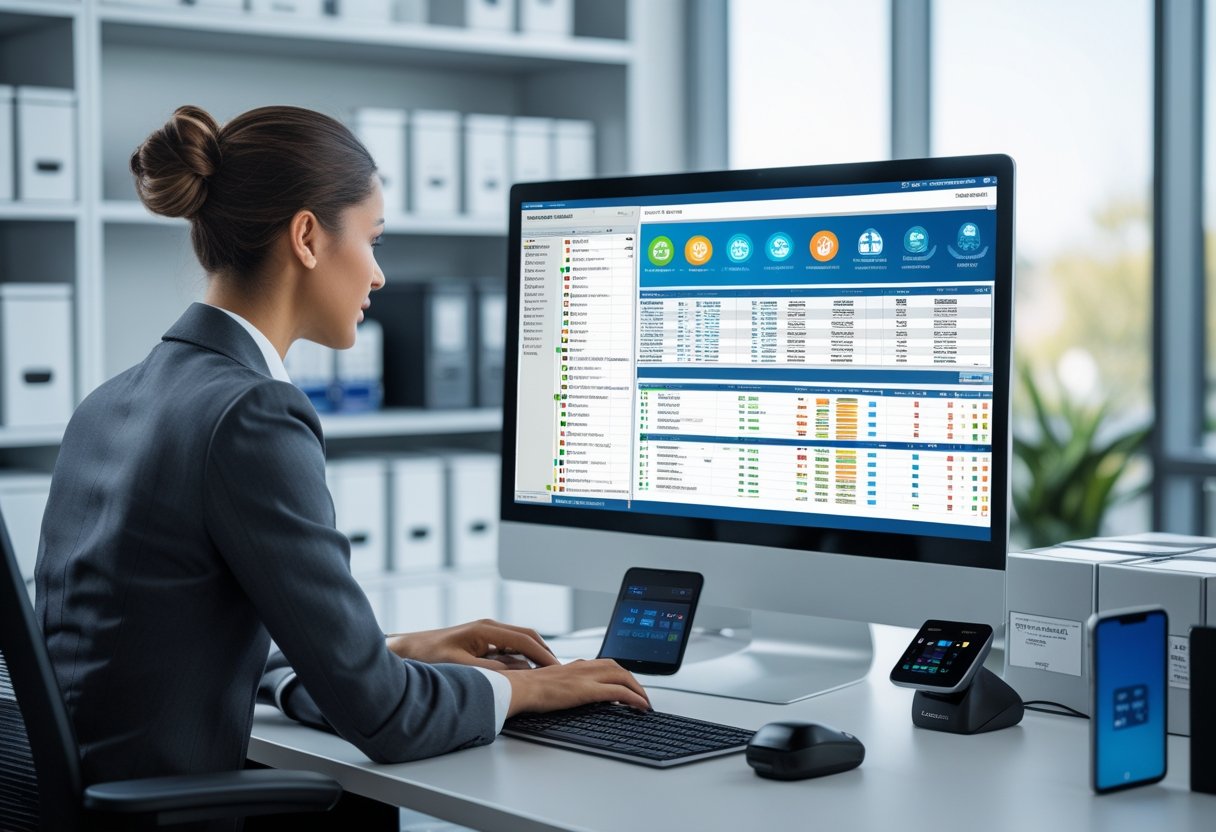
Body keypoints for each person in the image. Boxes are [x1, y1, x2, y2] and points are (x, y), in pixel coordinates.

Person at [34, 104, 649, 793]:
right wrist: (531, 692)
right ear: (306, 236)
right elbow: (387, 718)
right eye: (373, 239)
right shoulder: (252, 412)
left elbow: (173, 643)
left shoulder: (115, 399)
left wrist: (397, 651)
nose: (379, 275)